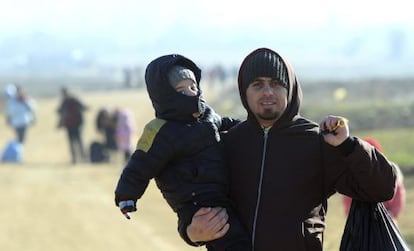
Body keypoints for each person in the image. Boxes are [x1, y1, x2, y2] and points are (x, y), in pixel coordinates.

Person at [182, 48, 397, 251]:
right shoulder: (226, 144)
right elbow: (190, 200)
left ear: (290, 89)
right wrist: (191, 232)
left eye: (276, 83)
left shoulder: (317, 142)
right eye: (257, 84)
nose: (267, 92)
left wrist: (349, 145)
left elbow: (382, 188)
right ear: (244, 92)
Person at [114, 54, 251, 250]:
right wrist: (126, 195)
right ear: (164, 96)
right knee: (234, 242)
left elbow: (231, 124)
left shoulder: (208, 117)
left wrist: (254, 127)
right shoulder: (161, 130)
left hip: (223, 196)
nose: (191, 93)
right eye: (181, 90)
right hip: (195, 205)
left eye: (193, 87)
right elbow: (140, 164)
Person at [342, 137, 406, 223]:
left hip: (385, 222)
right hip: (363, 225)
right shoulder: (352, 177)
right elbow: (348, 204)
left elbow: (398, 198)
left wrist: (390, 215)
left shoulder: (390, 172)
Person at [57, 87, 88, 164]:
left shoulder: (64, 101)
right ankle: (83, 157)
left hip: (69, 125)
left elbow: (60, 112)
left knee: (71, 142)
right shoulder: (74, 99)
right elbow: (83, 107)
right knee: (79, 141)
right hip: (77, 124)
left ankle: (74, 159)